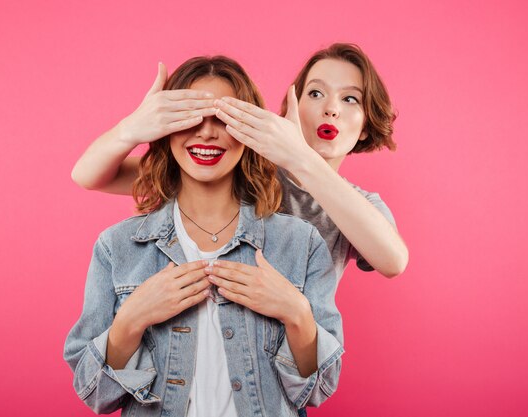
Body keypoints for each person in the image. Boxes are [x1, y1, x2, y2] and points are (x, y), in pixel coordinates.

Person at [63, 56, 343, 417]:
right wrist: (131, 320)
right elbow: (94, 393)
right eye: (191, 117)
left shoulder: (299, 243)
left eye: (223, 119)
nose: (207, 133)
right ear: (164, 128)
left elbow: (319, 389)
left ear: (248, 130)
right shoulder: (117, 248)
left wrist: (298, 315)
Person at [70, 43, 408, 284]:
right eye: (316, 93)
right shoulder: (247, 166)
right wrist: (132, 128)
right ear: (293, 105)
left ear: (366, 127)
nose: (330, 108)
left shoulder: (362, 207)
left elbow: (393, 261)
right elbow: (90, 175)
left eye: (350, 99)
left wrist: (302, 158)